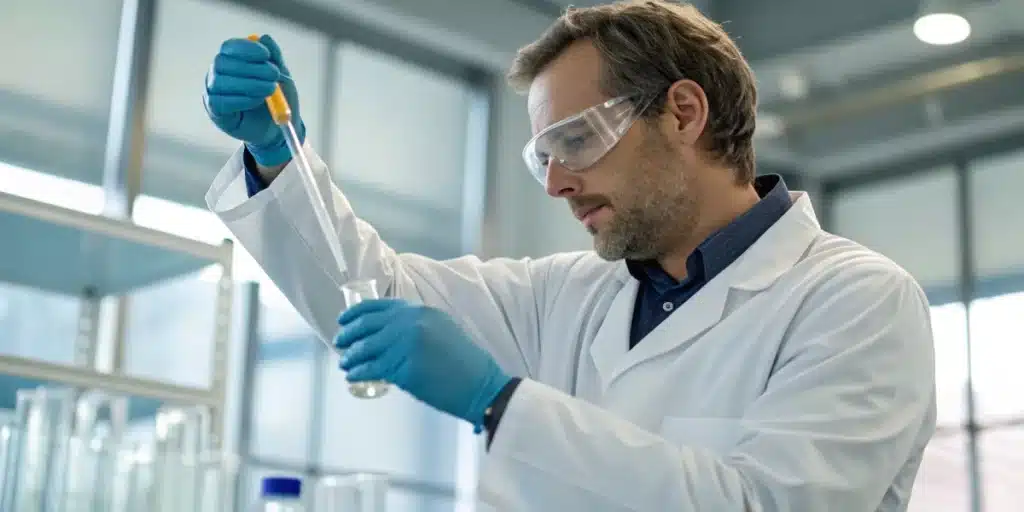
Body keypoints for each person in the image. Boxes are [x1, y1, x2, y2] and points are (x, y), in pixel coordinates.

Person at [203, 1, 936, 510]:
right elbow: (371, 295)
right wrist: (280, 155)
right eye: (542, 157)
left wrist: (499, 403)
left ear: (683, 112)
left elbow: (759, 506)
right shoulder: (565, 297)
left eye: (576, 141)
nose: (556, 183)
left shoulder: (858, 301)